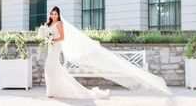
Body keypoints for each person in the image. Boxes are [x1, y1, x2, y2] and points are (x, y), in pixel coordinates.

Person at [38, 6, 171, 100]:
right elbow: (48, 35)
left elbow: (62, 38)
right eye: (52, 14)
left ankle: (53, 91)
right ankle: (52, 91)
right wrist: (46, 38)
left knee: (49, 67)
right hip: (51, 47)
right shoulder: (49, 25)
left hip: (55, 47)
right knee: (51, 69)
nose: (53, 15)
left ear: (58, 15)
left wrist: (51, 39)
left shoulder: (60, 24)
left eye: (55, 14)